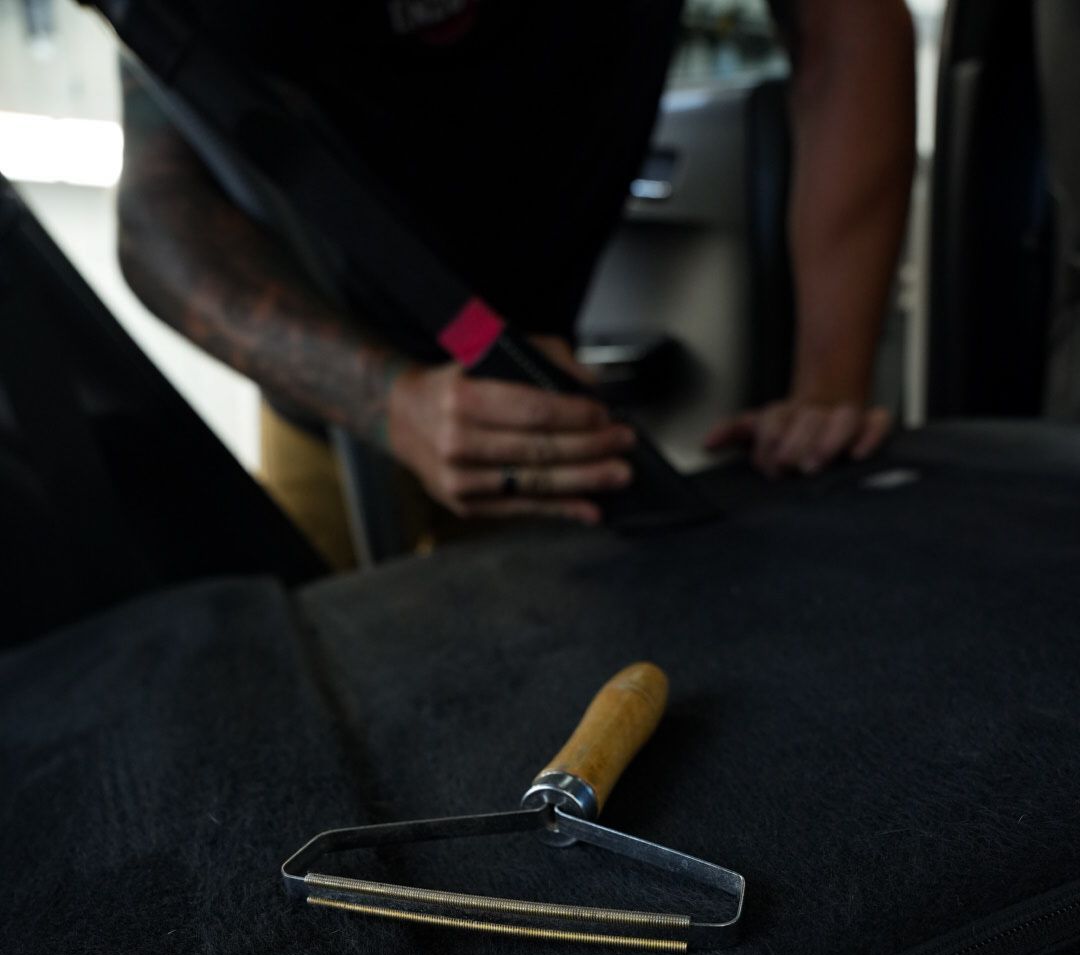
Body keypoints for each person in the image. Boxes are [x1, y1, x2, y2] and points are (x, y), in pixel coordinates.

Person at [117, 0, 915, 565]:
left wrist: (829, 385)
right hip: (331, 412)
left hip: (541, 412)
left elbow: (845, 23)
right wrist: (389, 401)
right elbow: (155, 209)